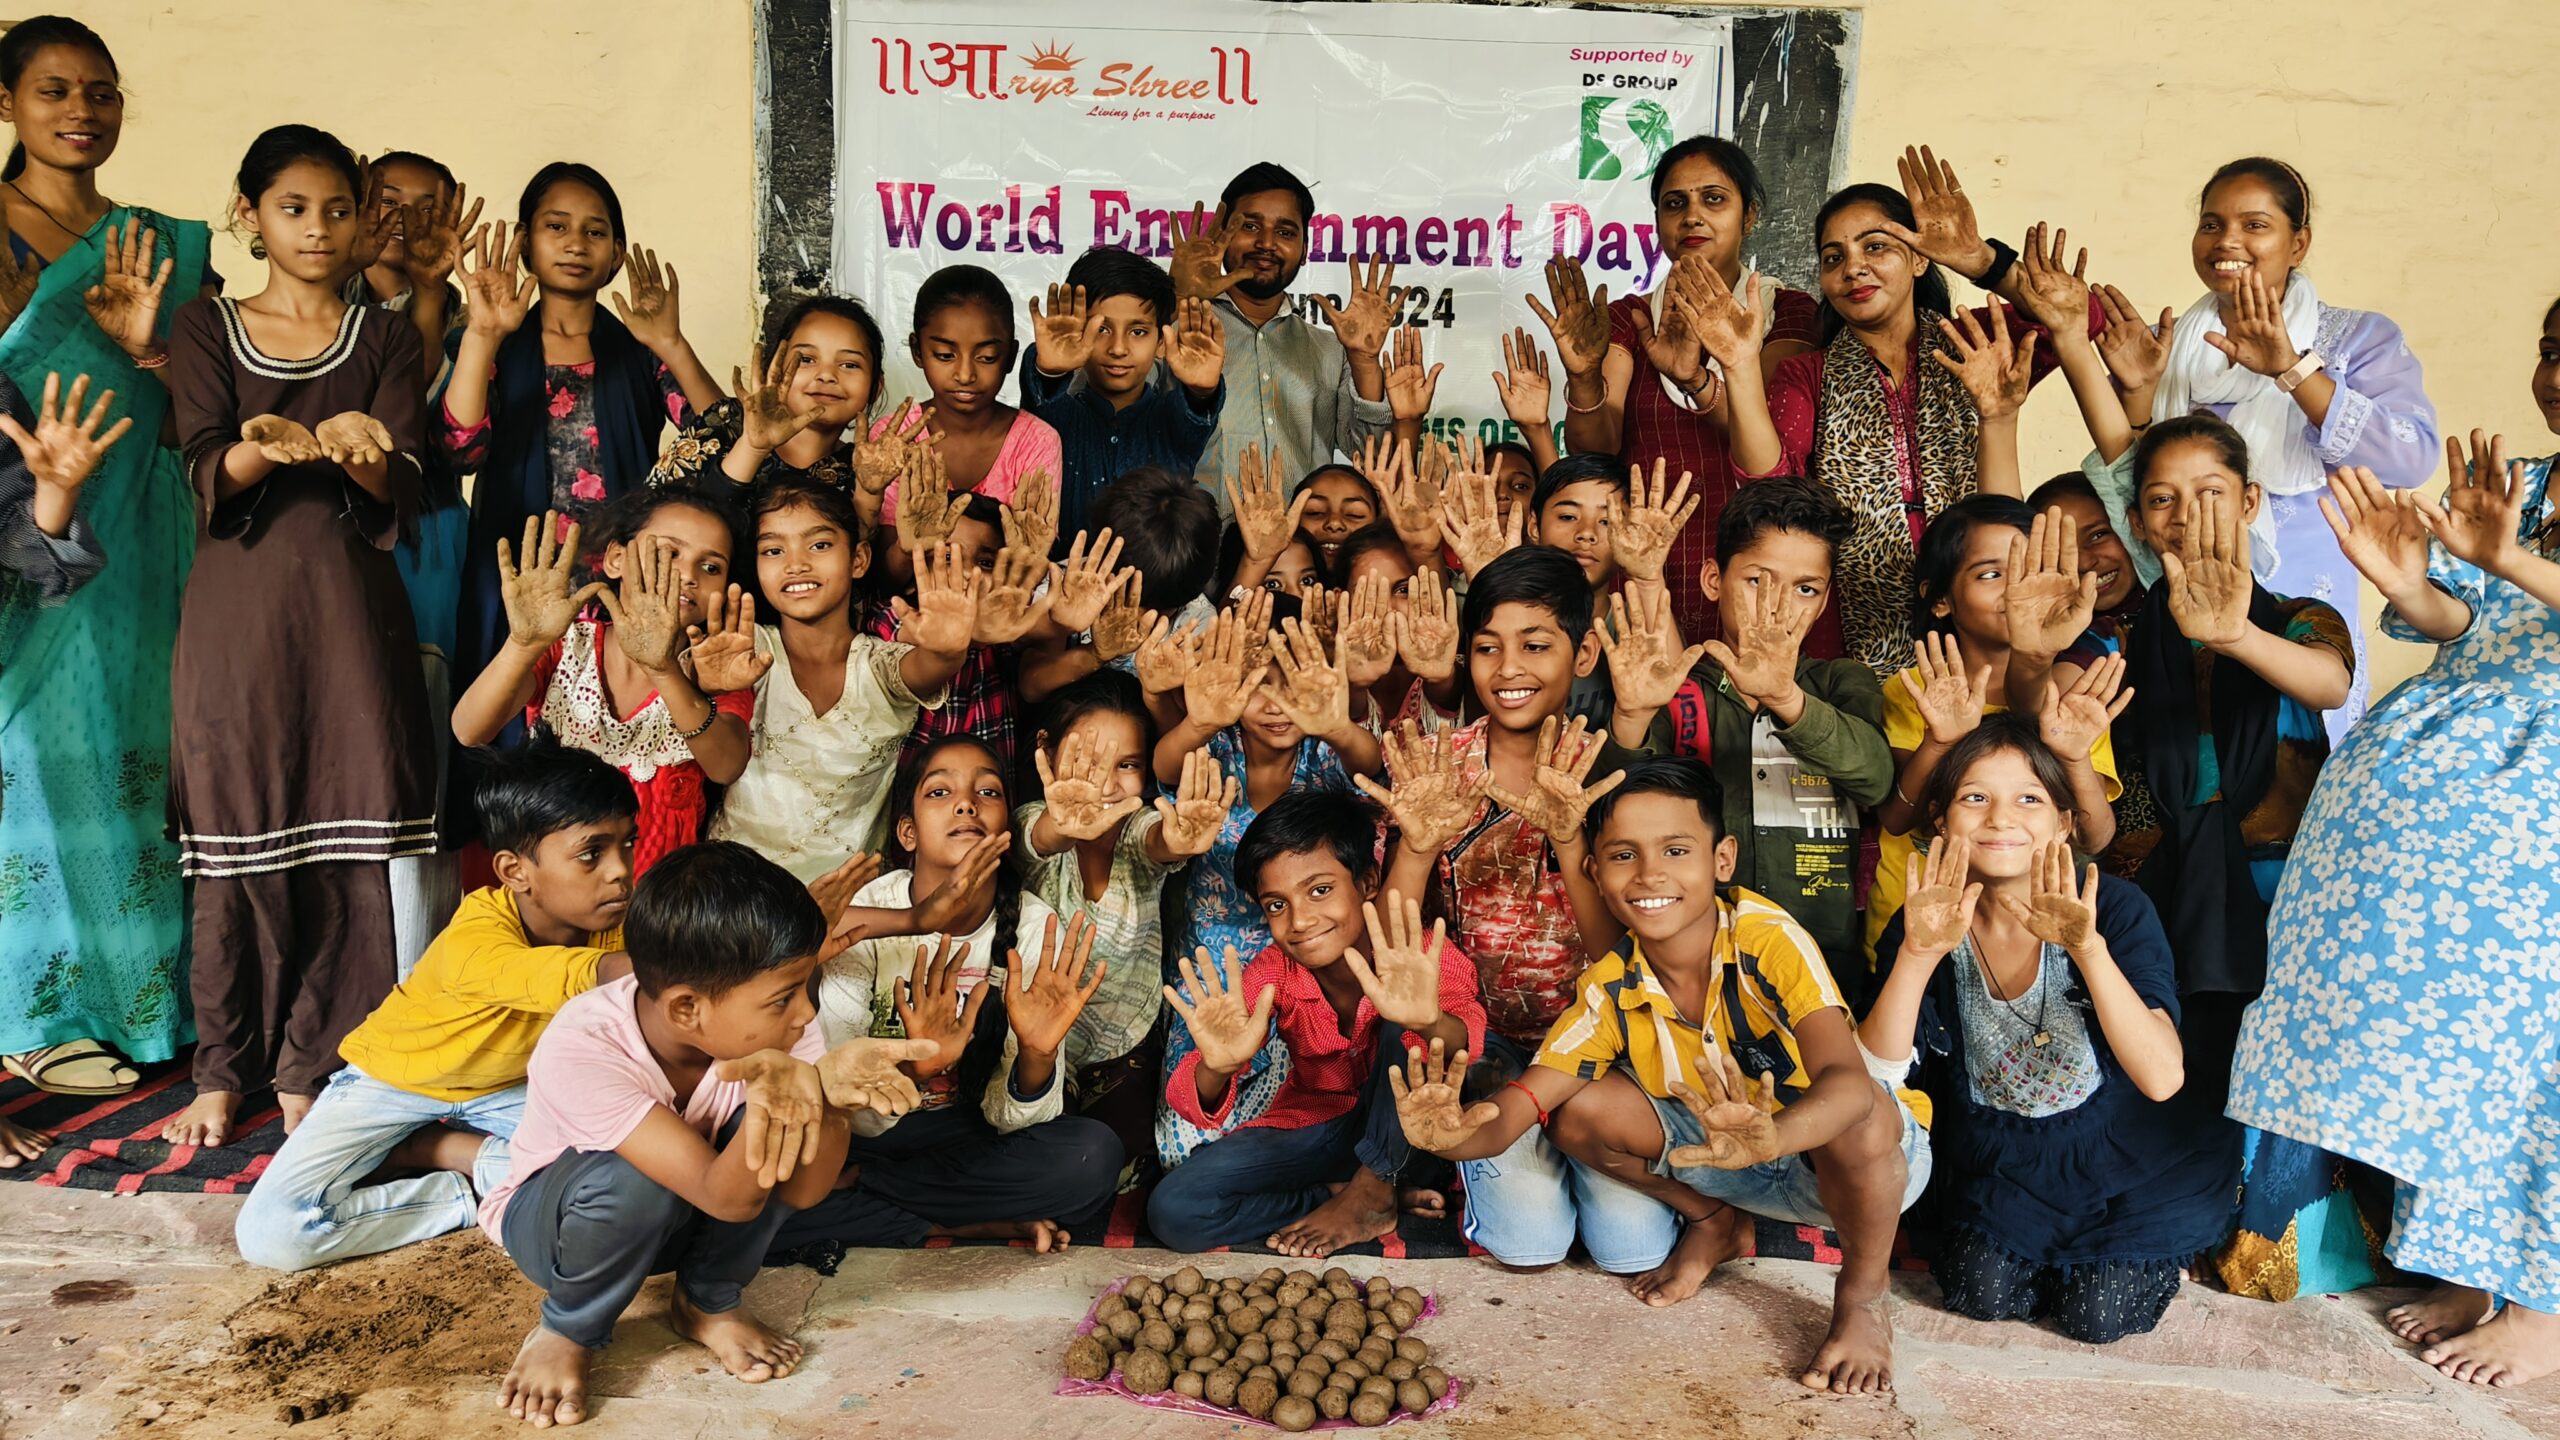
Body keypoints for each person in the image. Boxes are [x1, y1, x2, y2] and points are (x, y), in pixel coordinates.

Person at [2230, 343, 2560, 1389]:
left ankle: (2544, 1303)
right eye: (2548, 349)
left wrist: (2507, 560)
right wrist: (2409, 584)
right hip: (2457, 750)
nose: (2552, 369)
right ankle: (2460, 1260)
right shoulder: (2532, 485)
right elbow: (2468, 628)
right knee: (2449, 1031)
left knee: (2528, 1042)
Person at [1391, 757, 1930, 1394]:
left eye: (1676, 850)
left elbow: (1844, 1081)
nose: (1650, 874)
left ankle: (1863, 1301)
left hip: (1850, 1170)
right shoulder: (1610, 988)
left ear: (1722, 859)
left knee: (1863, 1110)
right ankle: (1712, 1222)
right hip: (1722, 1164)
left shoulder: (1765, 937)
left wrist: (1774, 1136)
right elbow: (1516, 1111)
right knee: (1577, 1113)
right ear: (1594, 871)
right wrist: (1446, 1135)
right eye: (1623, 855)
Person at [160, 125, 435, 1147]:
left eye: (337, 209)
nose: (318, 228)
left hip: (351, 618)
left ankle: (317, 1065)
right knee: (235, 847)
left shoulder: (387, 340)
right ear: (251, 216)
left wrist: (364, 457)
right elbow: (198, 462)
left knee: (350, 844)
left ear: (364, 221)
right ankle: (223, 1068)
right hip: (236, 617)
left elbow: (401, 485)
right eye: (293, 208)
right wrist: (253, 452)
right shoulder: (204, 326)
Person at [481, 839, 934, 1428]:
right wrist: (792, 1099)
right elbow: (726, 1196)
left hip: (687, 1215)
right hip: (562, 1234)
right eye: (781, 998)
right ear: (688, 1009)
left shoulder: (783, 1029)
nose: (803, 1014)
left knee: (780, 1117)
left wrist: (828, 1102)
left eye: (804, 988)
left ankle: (705, 1302)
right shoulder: (585, 1045)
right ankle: (569, 1326)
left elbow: (803, 1191)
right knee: (635, 1179)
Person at [0, 15, 213, 1102]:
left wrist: (149, 347)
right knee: (41, 756)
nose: (82, 110)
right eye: (54, 90)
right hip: (28, 520)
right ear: (7, 106)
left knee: (150, 761)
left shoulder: (162, 241)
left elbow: (195, 404)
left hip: (150, 517)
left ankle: (151, 998)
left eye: (102, 91)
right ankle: (38, 1011)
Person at [1360, 545, 1681, 1265]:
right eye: (1487, 648)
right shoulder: (1435, 770)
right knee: (1529, 1243)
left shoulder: (1609, 773)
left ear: (1585, 652)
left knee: (1630, 1248)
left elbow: (1620, 957)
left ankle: (1587, 1148)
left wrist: (1572, 838)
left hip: (1602, 1049)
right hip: (1488, 1048)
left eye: (1536, 646)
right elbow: (1397, 950)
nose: (1509, 670)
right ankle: (1492, 1157)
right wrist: (1415, 846)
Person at [1865, 719, 2225, 1345]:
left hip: (2133, 1157)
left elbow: (2164, 1078)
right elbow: (1876, 1074)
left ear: (2064, 823)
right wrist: (1918, 956)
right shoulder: (1925, 920)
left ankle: (2159, 1251)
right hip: (2009, 1164)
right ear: (1941, 822)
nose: (2001, 818)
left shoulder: (2112, 908)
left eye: (2029, 798)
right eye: (1974, 798)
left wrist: (2088, 950)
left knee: (2098, 1315)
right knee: (1982, 1293)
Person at [233, 737, 638, 1271]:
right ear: (515, 872)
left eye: (627, 845)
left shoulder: (618, 927)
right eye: (592, 853)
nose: (619, 870)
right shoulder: (475, 933)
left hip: (512, 1088)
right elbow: (550, 976)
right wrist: (672, 962)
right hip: (396, 1081)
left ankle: (441, 1151)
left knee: (634, 1167)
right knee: (274, 1234)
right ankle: (461, 1193)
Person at [1737, 151, 2098, 679]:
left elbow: (2084, 315)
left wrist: (1979, 259)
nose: (1853, 267)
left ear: (1920, 258)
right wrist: (1738, 364)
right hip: (1854, 628)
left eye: (1875, 247)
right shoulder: (1808, 375)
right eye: (1832, 257)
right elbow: (1770, 482)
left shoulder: (1972, 340)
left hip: (1982, 607)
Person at [2113, 157, 2438, 740]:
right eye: (2211, 224)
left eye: (2254, 225)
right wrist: (2139, 393)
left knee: (2297, 772)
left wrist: (2291, 368)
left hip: (2305, 613)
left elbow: (2410, 458)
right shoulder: (2176, 347)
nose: (2227, 241)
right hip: (2187, 609)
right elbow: (2141, 481)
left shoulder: (2356, 339)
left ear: (2299, 241)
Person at [782, 735, 1126, 1253]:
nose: (967, 803)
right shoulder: (867, 912)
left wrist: (1037, 1055)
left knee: (1091, 1158)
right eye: (939, 793)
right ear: (908, 831)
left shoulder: (1034, 929)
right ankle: (958, 1223)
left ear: (1007, 830)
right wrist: (915, 1071)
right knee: (767, 1173)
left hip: (968, 1142)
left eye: (987, 792)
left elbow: (1015, 1119)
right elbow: (843, 1101)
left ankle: (869, 1199)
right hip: (861, 1137)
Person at [1149, 793, 1486, 1256]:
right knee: (1175, 1208)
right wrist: (1217, 1066)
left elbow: (1466, 1046)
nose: (1301, 920)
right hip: (1324, 1125)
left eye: (1320, 890)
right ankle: (1340, 1195)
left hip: (1418, 1136)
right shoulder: (1272, 972)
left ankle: (1373, 1189)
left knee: (1402, 1030)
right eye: (1276, 905)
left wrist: (1426, 1020)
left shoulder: (1419, 955)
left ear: (1367, 882)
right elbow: (1196, 1095)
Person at [445, 161, 720, 690]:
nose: (576, 243)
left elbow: (717, 439)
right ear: (525, 243)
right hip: (519, 578)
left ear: (617, 253)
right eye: (557, 226)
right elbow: (460, 451)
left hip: (618, 578)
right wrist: (483, 333)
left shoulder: (637, 353)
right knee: (515, 728)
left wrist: (670, 344)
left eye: (595, 232)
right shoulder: (490, 343)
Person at [1533, 134, 1819, 640]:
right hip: (1645, 558)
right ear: (1659, 222)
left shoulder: (1785, 312)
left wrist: (1695, 378)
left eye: (1714, 198)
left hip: (1752, 560)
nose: (1692, 216)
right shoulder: (1630, 318)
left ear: (1748, 216)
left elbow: (1769, 445)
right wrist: (1582, 375)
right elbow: (1595, 449)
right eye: (1674, 203)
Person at [1611, 477, 1891, 976]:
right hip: (1693, 967)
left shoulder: (1841, 682)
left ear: (1824, 602)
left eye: (1805, 589)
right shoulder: (1675, 687)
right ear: (1714, 580)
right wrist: (1631, 717)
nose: (1779, 606)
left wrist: (1785, 697)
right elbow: (1616, 808)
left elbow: (1874, 777)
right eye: (1758, 580)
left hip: (1825, 971)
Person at [1151, 593, 1380, 1166]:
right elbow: (1164, 766)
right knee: (1185, 1144)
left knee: (1303, 1107)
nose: (1278, 706)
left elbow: (1370, 763)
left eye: (1293, 684)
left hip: (1309, 960)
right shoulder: (1212, 750)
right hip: (1218, 968)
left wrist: (1337, 723)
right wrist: (1200, 719)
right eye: (1258, 684)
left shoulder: (1324, 757)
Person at [1864, 497, 2127, 968]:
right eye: (1990, 574)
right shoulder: (1913, 692)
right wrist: (1939, 740)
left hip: (2034, 936)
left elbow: (2095, 835)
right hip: (1920, 930)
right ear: (1941, 598)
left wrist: (2072, 755)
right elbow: (1898, 819)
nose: (2015, 593)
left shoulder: (2072, 698)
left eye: (2027, 572)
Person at [452, 489, 757, 877]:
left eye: (711, 567)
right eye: (668, 553)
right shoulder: (567, 645)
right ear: (616, 559)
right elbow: (469, 729)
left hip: (655, 907)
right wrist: (523, 644)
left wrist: (664, 670)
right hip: (555, 898)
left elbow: (726, 766)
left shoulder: (716, 667)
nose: (688, 576)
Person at [346, 149, 478, 983]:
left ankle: (415, 968)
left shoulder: (469, 321)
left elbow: (416, 428)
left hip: (427, 542)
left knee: (420, 744)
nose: (402, 220)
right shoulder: (317, 306)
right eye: (386, 199)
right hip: (334, 545)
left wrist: (431, 294)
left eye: (426, 207)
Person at [1015, 671, 1234, 1173]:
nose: (1108, 785)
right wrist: (1060, 825)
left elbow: (1160, 842)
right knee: (1035, 1144)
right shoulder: (1033, 820)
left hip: (1123, 1047)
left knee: (1119, 1165)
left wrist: (1180, 839)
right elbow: (1038, 839)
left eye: (1128, 765)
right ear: (1046, 753)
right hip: (1034, 1043)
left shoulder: (1136, 828)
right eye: (1088, 763)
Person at [705, 476, 968, 874]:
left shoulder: (877, 667)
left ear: (859, 560)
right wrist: (701, 680)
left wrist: (947, 651)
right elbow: (695, 664)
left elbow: (924, 669)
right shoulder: (744, 646)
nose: (796, 564)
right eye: (773, 550)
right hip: (733, 897)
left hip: (849, 911)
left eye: (820, 545)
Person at [1175, 163, 1396, 507]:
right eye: (1250, 226)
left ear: (1306, 249)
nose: (1266, 243)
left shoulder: (1330, 350)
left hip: (1302, 552)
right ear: (1220, 235)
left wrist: (1364, 362)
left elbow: (1367, 458)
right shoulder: (1177, 333)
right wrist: (1176, 303)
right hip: (1197, 550)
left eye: (1286, 232)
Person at [1018, 246, 1225, 536]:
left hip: (1161, 582)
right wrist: (1050, 370)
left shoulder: (1171, 422)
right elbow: (1041, 397)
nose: (1118, 349)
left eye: (1138, 331)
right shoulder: (1057, 419)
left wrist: (1202, 390)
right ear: (1076, 331)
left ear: (1162, 341)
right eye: (1101, 329)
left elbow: (1195, 415)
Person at [872, 265, 1061, 536]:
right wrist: (915, 540)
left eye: (986, 358)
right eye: (945, 355)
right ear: (917, 350)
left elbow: (1033, 558)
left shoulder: (1037, 441)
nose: (965, 375)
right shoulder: (893, 437)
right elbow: (883, 570)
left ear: (1010, 356)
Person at [648, 294, 883, 496]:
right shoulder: (725, 423)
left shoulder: (866, 470)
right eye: (807, 359)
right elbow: (653, 519)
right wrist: (751, 449)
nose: (827, 375)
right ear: (776, 369)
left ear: (876, 388)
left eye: (850, 365)